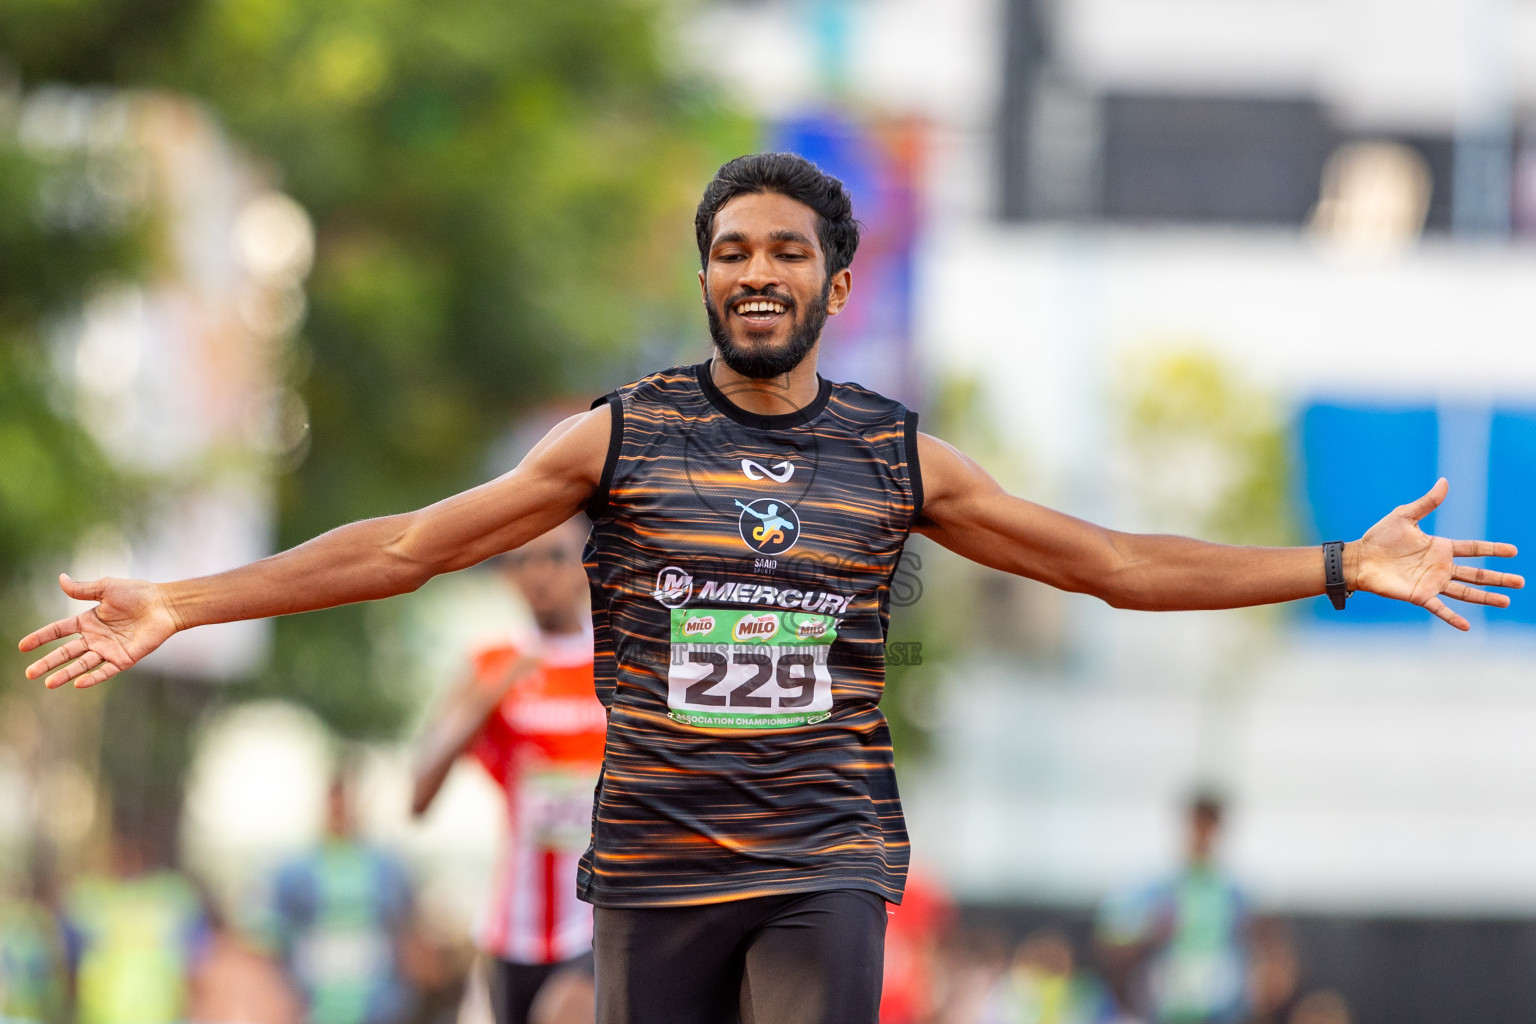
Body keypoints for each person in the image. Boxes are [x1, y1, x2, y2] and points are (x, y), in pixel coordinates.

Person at [17, 152, 1523, 1024]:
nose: (756, 272)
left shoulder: (897, 460)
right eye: (730, 250)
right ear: (705, 279)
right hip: (655, 871)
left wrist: (1338, 563)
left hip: (825, 857)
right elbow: (410, 544)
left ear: (834, 284)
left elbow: (1115, 566)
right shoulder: (617, 442)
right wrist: (184, 602)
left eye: (786, 253)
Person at [410, 517, 602, 1024]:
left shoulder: (618, 660)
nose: (538, 573)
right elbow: (418, 794)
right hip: (513, 927)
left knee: (565, 1014)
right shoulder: (492, 663)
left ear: (589, 563)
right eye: (521, 560)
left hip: (598, 915)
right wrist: (483, 699)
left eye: (555, 557)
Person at [259, 772, 417, 1024]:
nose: (341, 811)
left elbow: (406, 929)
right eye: (335, 802)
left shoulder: (387, 867)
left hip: (375, 998)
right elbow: (277, 935)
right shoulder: (296, 870)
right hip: (313, 997)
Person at [1095, 793, 1249, 1024]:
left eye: (1210, 827)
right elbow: (1114, 937)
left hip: (1217, 1006)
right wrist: (1151, 930)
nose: (1203, 835)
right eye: (1198, 825)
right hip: (1165, 1003)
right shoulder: (1153, 888)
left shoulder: (1234, 892)